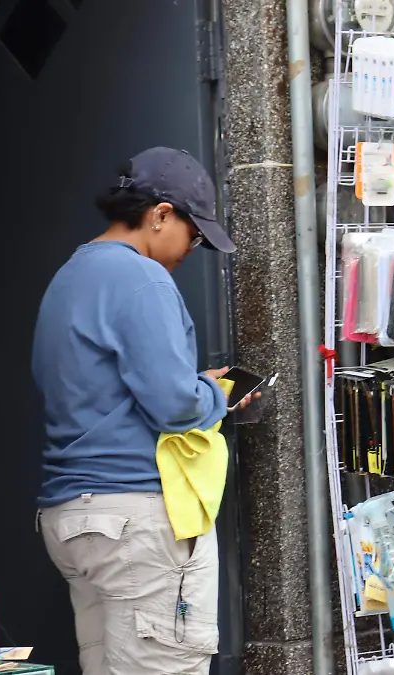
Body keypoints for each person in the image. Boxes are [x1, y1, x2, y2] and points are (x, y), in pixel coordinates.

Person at [31, 147, 250, 675]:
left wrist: (193, 386)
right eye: (193, 235)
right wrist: (214, 394)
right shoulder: (143, 279)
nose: (191, 250)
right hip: (137, 514)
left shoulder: (70, 275)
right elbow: (175, 405)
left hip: (73, 517)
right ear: (160, 214)